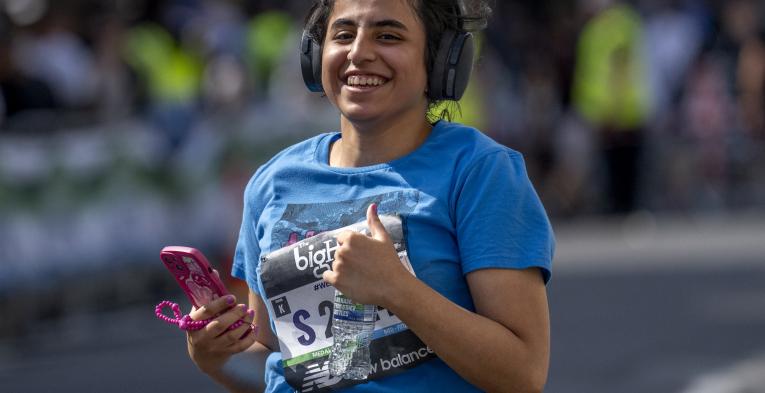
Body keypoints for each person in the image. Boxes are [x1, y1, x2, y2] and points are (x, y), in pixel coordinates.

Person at [185, 1, 554, 392]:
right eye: (343, 35)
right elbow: (275, 360)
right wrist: (214, 356)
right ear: (315, 54)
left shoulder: (480, 172)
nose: (359, 52)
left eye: (388, 35)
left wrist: (397, 290)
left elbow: (523, 374)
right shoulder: (272, 182)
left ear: (442, 59)